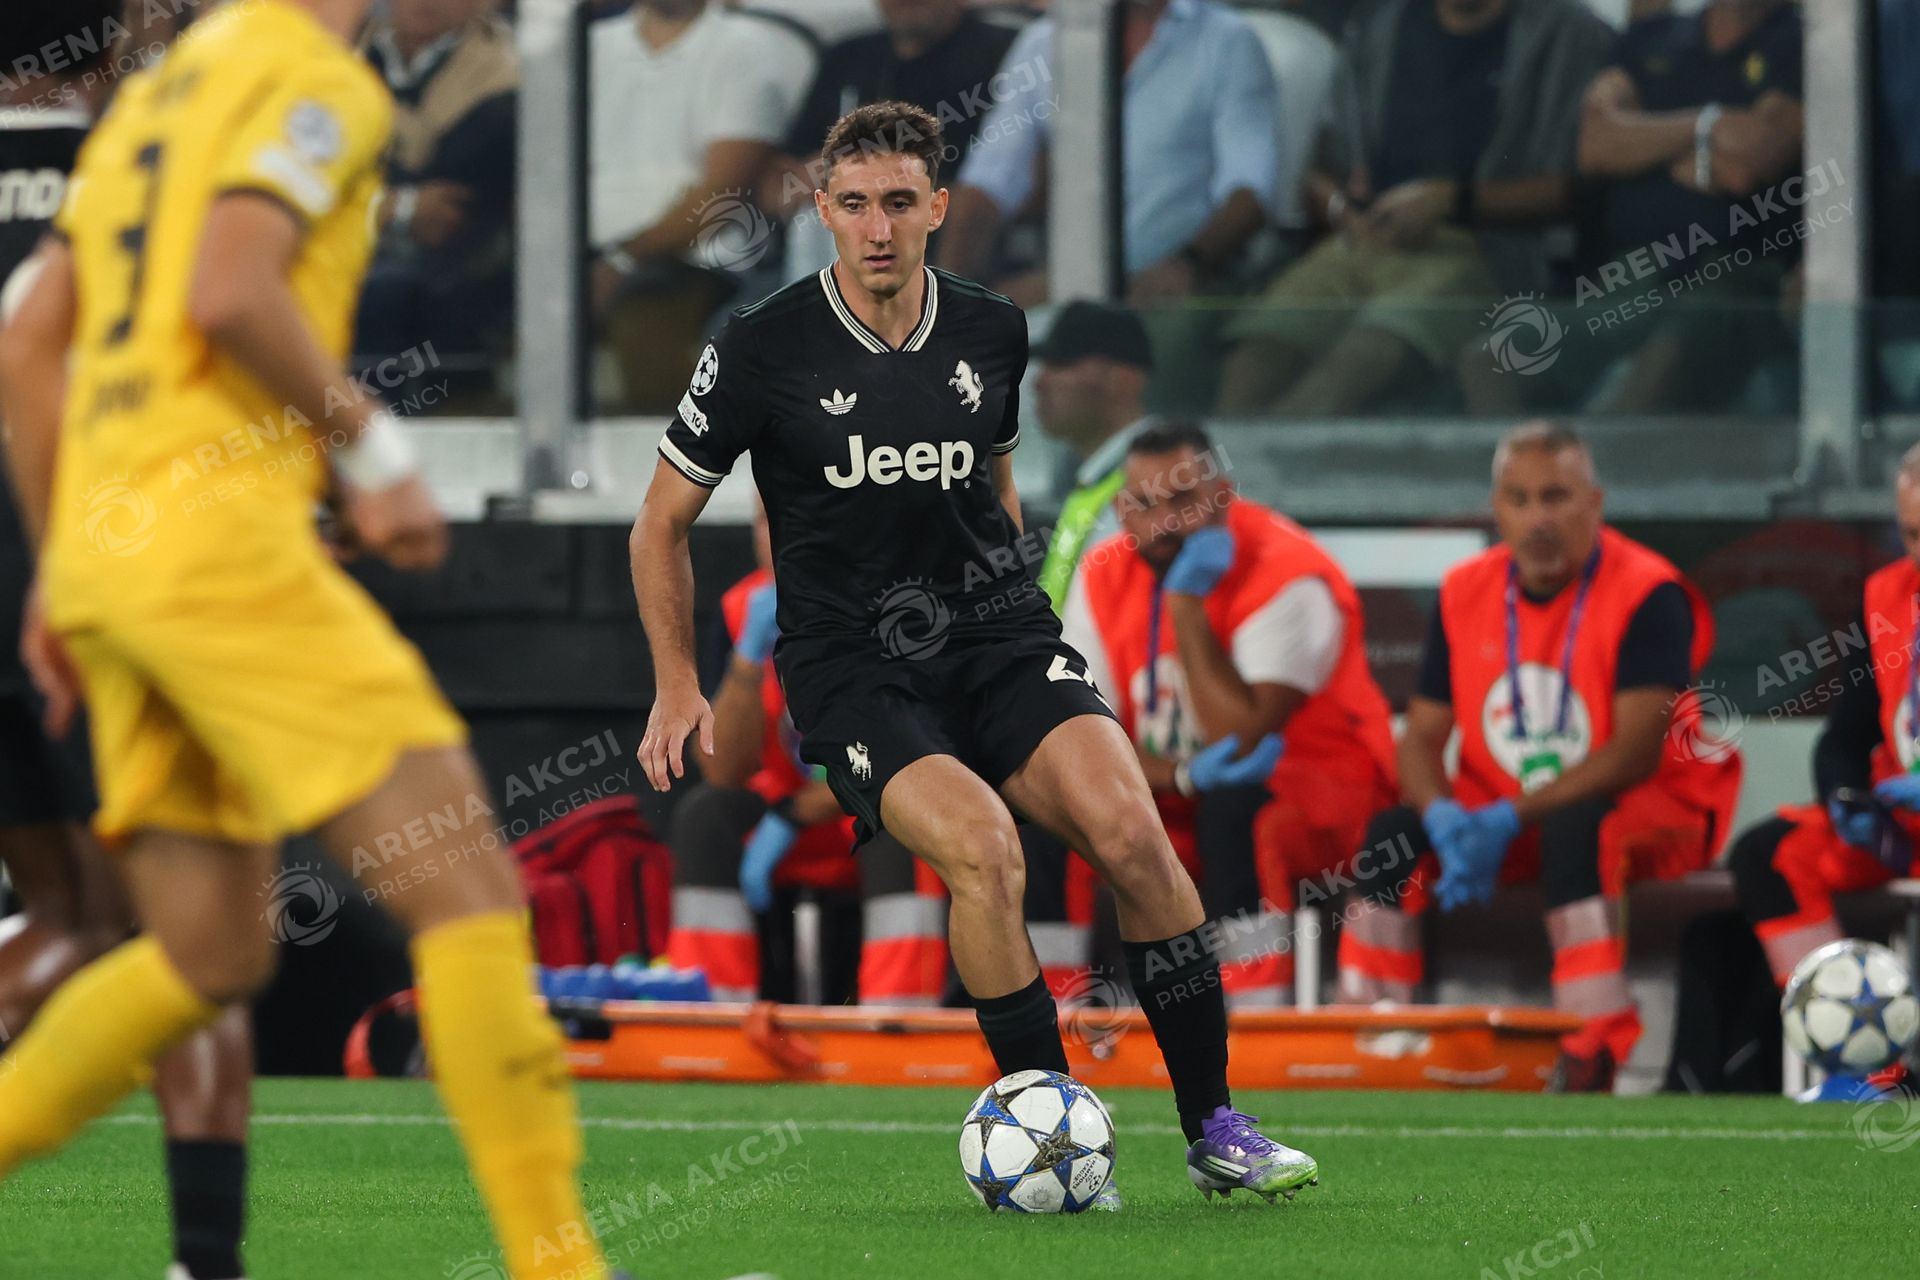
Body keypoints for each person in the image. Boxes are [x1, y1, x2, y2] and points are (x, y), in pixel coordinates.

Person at [0, 4, 621, 1277]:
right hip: (222, 551)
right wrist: (376, 457)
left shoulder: (156, 96)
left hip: (115, 566)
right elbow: (231, 286)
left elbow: (29, 343)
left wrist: (62, 570)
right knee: (468, 891)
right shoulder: (312, 77)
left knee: (207, 952)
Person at [631, 100, 1319, 1207]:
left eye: (900, 202)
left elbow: (994, 486)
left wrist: (1016, 606)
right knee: (988, 854)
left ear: (938, 208)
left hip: (997, 639)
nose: (879, 228)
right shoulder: (759, 345)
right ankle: (1051, 1135)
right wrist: (676, 684)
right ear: (824, 211)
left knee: (1136, 836)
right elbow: (658, 523)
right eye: (856, 204)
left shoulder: (993, 328)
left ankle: (1216, 1129)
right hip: (854, 667)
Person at [0, 8, 252, 1279]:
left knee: (65, 917)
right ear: (105, 56)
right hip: (102, 592)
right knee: (190, 937)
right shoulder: (144, 172)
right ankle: (205, 1259)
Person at [1337, 422, 1741, 1092]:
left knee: (1580, 829)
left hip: (1656, 807)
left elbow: (1635, 753)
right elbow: (1422, 738)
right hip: (1513, 813)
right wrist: (1441, 816)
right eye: (1519, 500)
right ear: (1496, 508)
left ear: (1595, 503)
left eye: (1555, 497)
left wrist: (1506, 818)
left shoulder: (1649, 592)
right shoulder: (1464, 590)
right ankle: (1373, 1033)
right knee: (1392, 835)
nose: (1537, 519)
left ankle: (1590, 1044)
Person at [1062, 422, 1400, 1006]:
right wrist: (1178, 777)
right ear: (1120, 512)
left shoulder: (1286, 570)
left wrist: (1186, 606)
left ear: (1222, 495)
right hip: (1173, 793)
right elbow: (1081, 737)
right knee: (1050, 813)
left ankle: (1249, 1012)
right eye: (1144, 505)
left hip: (1313, 794)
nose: (1164, 524)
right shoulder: (1101, 575)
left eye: (1183, 501)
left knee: (1233, 812)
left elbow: (1236, 740)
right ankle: (1044, 1017)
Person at [1216, 0, 1610, 416]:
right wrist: (1342, 212)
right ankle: (1235, 457)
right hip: (1362, 241)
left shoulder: (1569, 33)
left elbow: (1577, 189)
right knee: (1256, 357)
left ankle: (1269, 457)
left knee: (1362, 359)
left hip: (1485, 254)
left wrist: (1448, 200)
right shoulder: (1379, 25)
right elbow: (1320, 170)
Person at [667, 509, 946, 1005]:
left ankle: (897, 1021)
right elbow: (722, 769)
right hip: (781, 814)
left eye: (794, 512)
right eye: (764, 518)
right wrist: (747, 662)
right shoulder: (739, 610)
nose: (778, 533)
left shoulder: (898, 604)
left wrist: (794, 814)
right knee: (705, 815)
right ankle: (714, 1013)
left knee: (902, 819)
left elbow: (903, 754)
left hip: (863, 807)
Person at [936, 0, 1279, 315]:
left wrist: (1187, 264)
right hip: (1068, 293)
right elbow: (989, 183)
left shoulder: (1226, 41)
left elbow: (1251, 191)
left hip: (1182, 293)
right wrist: (947, 304)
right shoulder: (1046, 41)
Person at [1726, 445, 1920, 992]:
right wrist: (1845, 798)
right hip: (1904, 829)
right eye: (1912, 535)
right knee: (1769, 854)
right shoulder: (1888, 596)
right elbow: (1846, 735)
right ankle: (1836, 1016)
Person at [1567, 0, 1802, 413]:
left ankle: (1601, 455)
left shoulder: (1800, 40)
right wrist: (1708, 126)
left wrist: (1643, 148)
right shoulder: (1650, 37)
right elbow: (1593, 145)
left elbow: (1749, 164)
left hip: (1734, 277)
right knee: (1492, 359)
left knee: (1664, 360)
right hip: (1630, 274)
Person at [589, 0, 814, 411]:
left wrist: (622, 260)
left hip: (695, 259)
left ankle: (676, 448)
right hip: (585, 252)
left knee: (647, 321)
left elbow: (725, 191)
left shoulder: (746, 47)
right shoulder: (589, 46)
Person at [356, 0, 520, 408]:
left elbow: (456, 202)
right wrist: (396, 207)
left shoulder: (507, 73)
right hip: (345, 254)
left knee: (396, 296)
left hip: (462, 266)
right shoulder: (342, 56)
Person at [1030, 300, 1156, 609]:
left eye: (1061, 364)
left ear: (1123, 380)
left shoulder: (1158, 485)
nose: (1039, 382)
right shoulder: (1093, 479)